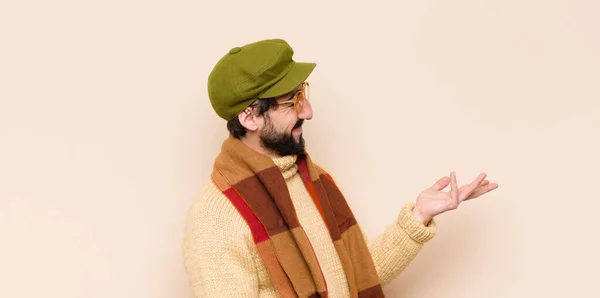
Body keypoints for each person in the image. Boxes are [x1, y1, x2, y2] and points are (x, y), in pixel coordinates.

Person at [182, 38, 498, 298]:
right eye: (293, 100)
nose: (308, 111)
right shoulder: (216, 217)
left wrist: (418, 216)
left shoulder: (311, 179)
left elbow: (355, 275)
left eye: (303, 93)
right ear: (250, 117)